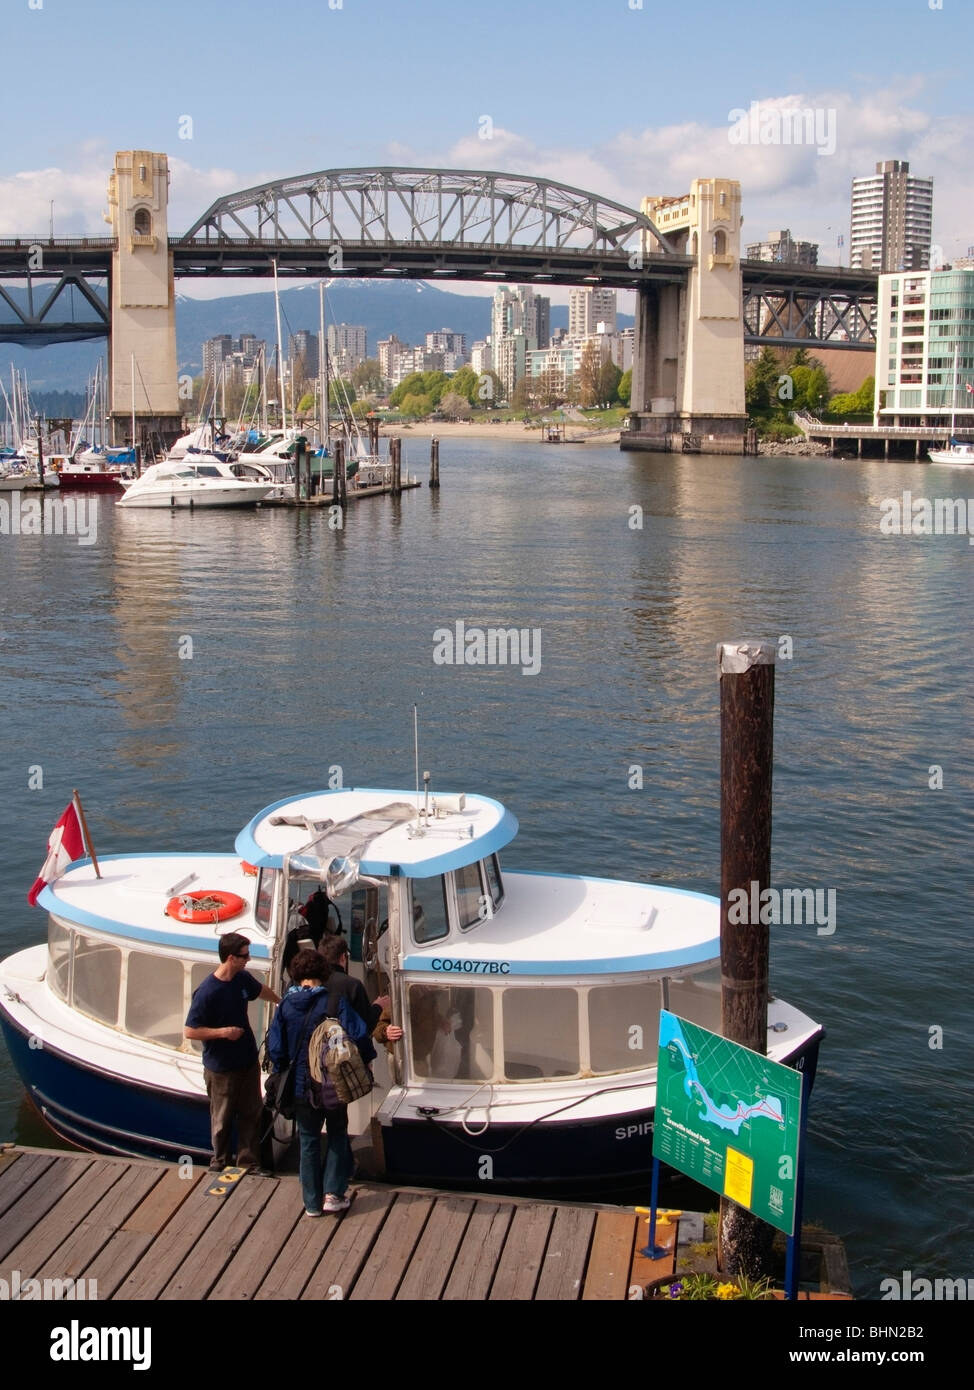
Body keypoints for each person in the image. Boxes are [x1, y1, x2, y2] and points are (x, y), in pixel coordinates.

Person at [268, 945, 375, 1217]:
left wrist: (283, 1069)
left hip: (301, 1086)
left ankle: (312, 1203)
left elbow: (276, 1049)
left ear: (295, 974)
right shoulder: (333, 1002)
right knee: (338, 1135)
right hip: (332, 1084)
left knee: (308, 1140)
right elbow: (360, 1033)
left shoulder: (285, 1006)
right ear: (323, 973)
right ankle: (334, 1194)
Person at [184, 931, 280, 1172]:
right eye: (244, 955)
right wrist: (223, 1033)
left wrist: (281, 1001)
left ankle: (248, 1162)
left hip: (247, 1060)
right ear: (230, 958)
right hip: (220, 1067)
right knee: (222, 1118)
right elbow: (190, 1031)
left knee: (251, 1112)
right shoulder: (207, 991)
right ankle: (220, 1161)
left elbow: (260, 991)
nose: (248, 959)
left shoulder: (242, 979)